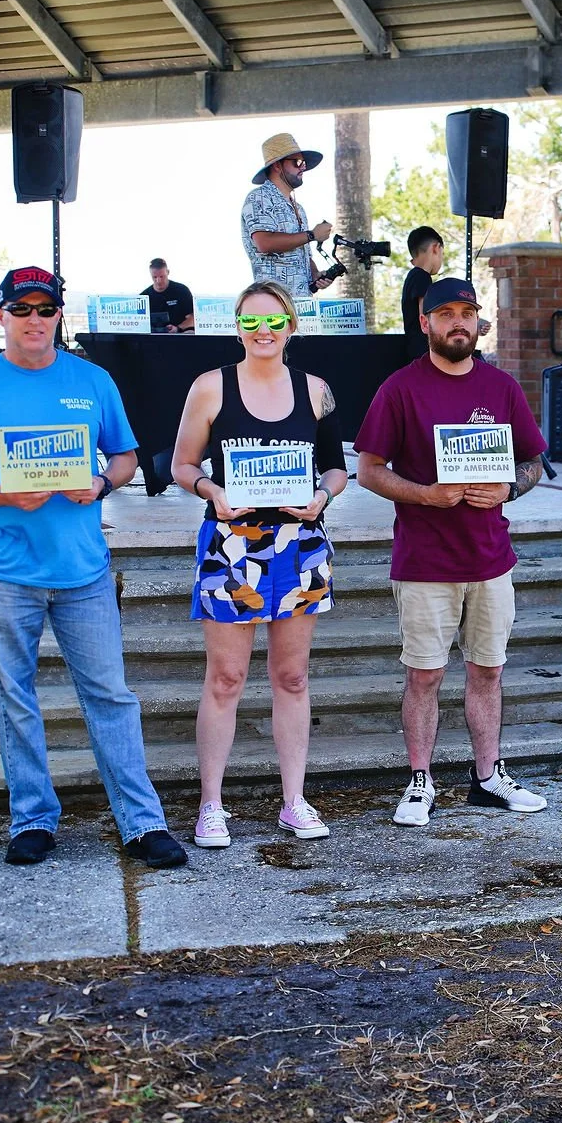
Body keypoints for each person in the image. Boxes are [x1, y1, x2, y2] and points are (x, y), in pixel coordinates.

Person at [0, 265, 187, 870]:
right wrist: (0, 495)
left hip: (83, 571)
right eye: (22, 310)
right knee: (14, 697)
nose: (35, 320)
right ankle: (33, 819)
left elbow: (125, 459)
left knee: (111, 696)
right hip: (2, 571)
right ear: (2, 317)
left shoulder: (92, 381)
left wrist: (99, 482)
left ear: (59, 317)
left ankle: (142, 823)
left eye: (46, 310)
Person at [355, 278, 552, 824]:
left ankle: (487, 777)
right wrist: (425, 495)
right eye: (446, 314)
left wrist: (510, 487)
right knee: (425, 674)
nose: (458, 322)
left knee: (488, 671)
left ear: (478, 321)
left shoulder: (502, 387)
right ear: (425, 323)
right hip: (425, 562)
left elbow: (534, 463)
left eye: (467, 312)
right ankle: (420, 781)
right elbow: (368, 470)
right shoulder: (399, 388)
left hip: (490, 559)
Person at [169, 280, 353, 845]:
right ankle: (211, 806)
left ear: (292, 325)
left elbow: (336, 466)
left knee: (292, 677)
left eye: (274, 322)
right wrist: (210, 490)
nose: (263, 332)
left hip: (299, 546)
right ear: (238, 328)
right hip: (231, 546)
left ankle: (294, 800)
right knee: (225, 678)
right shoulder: (210, 387)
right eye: (251, 323)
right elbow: (180, 464)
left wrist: (322, 498)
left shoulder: (316, 389)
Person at [241, 132, 346, 300]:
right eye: (297, 162)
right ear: (277, 166)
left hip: (303, 306)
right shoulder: (259, 197)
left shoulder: (299, 208)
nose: (303, 167)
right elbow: (264, 243)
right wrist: (312, 235)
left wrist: (315, 274)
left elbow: (304, 253)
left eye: (303, 163)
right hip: (273, 304)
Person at [400, 227, 443, 359]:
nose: (442, 260)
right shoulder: (422, 277)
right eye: (442, 254)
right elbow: (426, 315)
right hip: (423, 352)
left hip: (414, 349)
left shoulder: (413, 276)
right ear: (435, 248)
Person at [142, 258, 195, 333]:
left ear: (168, 272)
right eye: (155, 277)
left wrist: (177, 328)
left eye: (161, 276)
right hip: (153, 336)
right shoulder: (144, 296)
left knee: (190, 332)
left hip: (180, 333)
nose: (158, 281)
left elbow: (192, 318)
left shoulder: (182, 290)